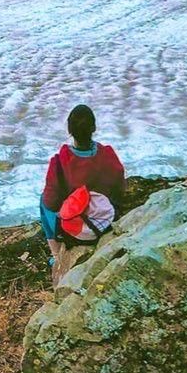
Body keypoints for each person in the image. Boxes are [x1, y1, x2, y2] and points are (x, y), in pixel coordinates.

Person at [40, 104, 125, 266]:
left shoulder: (59, 162)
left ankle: (57, 256)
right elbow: (120, 188)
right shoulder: (108, 155)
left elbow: (50, 202)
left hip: (76, 229)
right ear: (94, 127)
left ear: (69, 131)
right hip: (106, 221)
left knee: (43, 201)